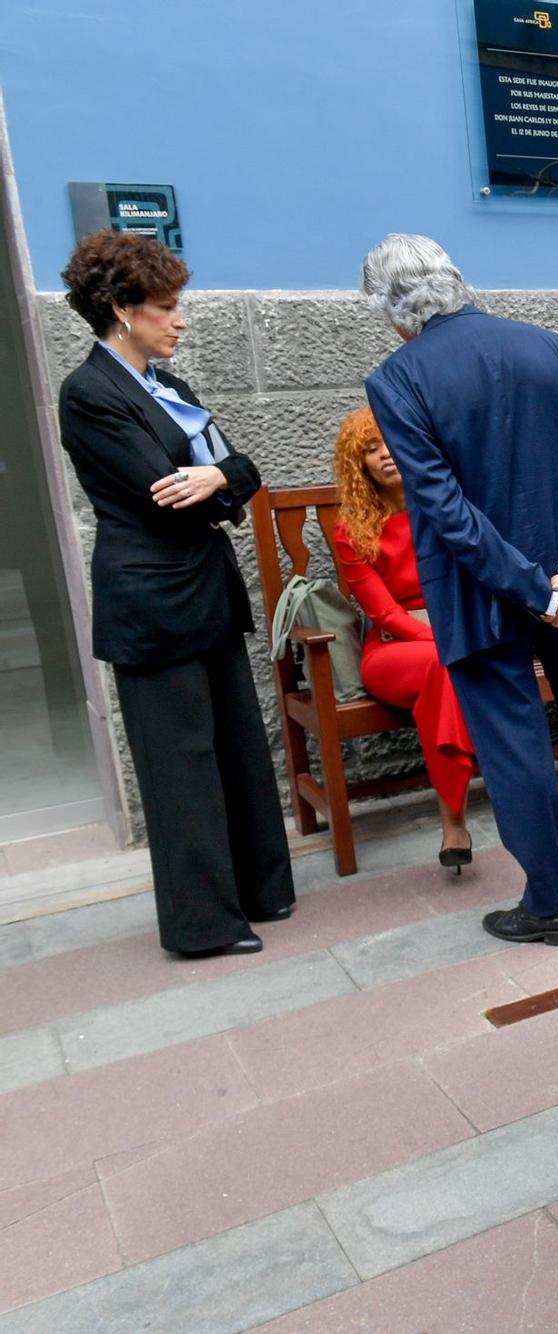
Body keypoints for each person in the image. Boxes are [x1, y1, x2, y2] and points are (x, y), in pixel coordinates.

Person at [360, 234, 558, 946]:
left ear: (389, 307)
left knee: (514, 747)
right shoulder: (548, 347)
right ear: (456, 279)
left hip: (478, 590)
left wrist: (538, 587)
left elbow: (442, 506)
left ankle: (553, 903)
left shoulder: (398, 377)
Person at [55, 231, 296, 958]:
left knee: (236, 744)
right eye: (165, 308)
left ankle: (263, 889)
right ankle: (202, 924)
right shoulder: (89, 393)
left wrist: (219, 477)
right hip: (150, 600)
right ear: (122, 310)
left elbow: (238, 470)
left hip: (205, 589)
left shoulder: (173, 390)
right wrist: (217, 479)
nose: (180, 319)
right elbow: (164, 491)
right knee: (178, 762)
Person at [329, 405, 477, 871]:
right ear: (360, 465)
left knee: (446, 674)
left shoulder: (440, 505)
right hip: (394, 647)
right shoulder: (351, 530)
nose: (385, 455)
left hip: (453, 635)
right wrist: (442, 638)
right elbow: (384, 613)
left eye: (390, 443)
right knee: (442, 667)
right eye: (371, 450)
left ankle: (454, 822)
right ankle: (453, 818)